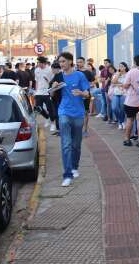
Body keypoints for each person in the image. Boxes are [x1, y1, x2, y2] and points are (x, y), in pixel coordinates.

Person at [54, 52, 90, 187]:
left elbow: (87, 94)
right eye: (60, 62)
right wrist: (54, 88)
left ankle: (74, 167)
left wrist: (81, 93)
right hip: (64, 112)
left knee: (76, 145)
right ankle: (67, 174)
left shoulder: (80, 75)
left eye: (63, 61)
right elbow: (51, 92)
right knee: (66, 144)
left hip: (79, 114)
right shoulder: (58, 76)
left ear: (70, 61)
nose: (61, 64)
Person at [122, 55, 139, 146]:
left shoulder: (132, 71)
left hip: (131, 100)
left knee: (129, 119)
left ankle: (127, 139)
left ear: (135, 62)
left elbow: (125, 85)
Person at [34, 56, 56, 131]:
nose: (38, 64)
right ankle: (47, 118)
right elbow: (36, 81)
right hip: (39, 92)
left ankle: (53, 123)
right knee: (38, 108)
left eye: (39, 63)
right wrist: (36, 91)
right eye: (38, 63)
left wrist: (48, 80)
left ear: (43, 63)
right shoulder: (36, 70)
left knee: (50, 108)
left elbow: (53, 81)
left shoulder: (50, 70)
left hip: (47, 91)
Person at [76, 57, 95, 137]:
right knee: (77, 112)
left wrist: (86, 86)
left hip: (86, 94)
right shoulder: (75, 72)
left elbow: (93, 82)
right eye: (77, 62)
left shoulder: (88, 72)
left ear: (84, 63)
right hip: (77, 95)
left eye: (80, 62)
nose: (78, 64)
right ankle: (77, 129)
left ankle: (85, 129)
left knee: (85, 112)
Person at [111, 62, 129, 129]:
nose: (120, 68)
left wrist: (117, 83)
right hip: (116, 93)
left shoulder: (128, 74)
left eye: (121, 66)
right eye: (119, 66)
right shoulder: (116, 74)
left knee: (122, 109)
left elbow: (126, 84)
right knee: (114, 108)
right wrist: (118, 75)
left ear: (125, 67)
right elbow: (113, 82)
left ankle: (122, 122)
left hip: (124, 93)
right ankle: (120, 121)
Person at [49, 62, 63, 135]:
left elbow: (62, 84)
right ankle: (58, 129)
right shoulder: (56, 75)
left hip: (58, 98)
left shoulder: (60, 75)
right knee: (56, 114)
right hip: (55, 98)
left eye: (52, 69)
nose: (52, 71)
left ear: (56, 69)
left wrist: (54, 87)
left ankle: (60, 130)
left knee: (58, 114)